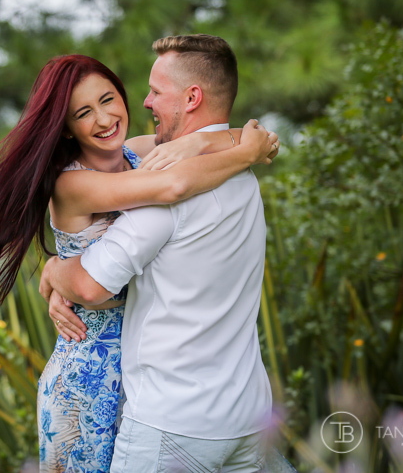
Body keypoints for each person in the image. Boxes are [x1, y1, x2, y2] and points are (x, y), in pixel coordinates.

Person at [0, 53, 278, 472]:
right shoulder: (74, 183)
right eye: (83, 113)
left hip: (141, 378)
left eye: (108, 99)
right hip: (87, 377)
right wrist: (244, 155)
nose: (104, 119)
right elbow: (173, 185)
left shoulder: (133, 153)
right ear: (68, 128)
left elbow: (226, 132)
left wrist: (198, 142)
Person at [41, 34, 282, 472]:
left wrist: (56, 270)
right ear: (67, 126)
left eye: (154, 91)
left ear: (192, 97)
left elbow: (89, 283)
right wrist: (55, 267)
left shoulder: (149, 167)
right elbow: (184, 177)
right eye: (83, 112)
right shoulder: (234, 178)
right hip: (112, 383)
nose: (146, 101)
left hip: (172, 416)